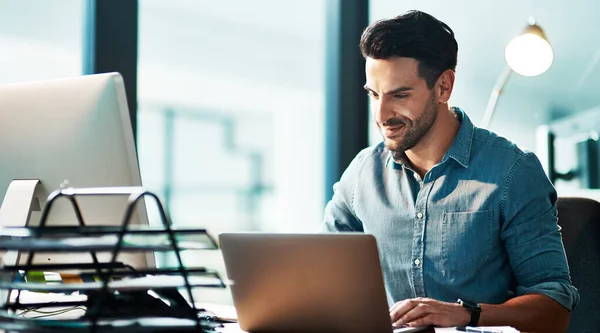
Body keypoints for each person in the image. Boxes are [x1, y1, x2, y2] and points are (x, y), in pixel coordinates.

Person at [322, 10, 579, 333]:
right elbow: (322, 278)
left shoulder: (513, 172)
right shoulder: (361, 174)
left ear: (443, 87)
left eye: (399, 95)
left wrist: (467, 314)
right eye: (374, 94)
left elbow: (554, 309)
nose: (382, 114)